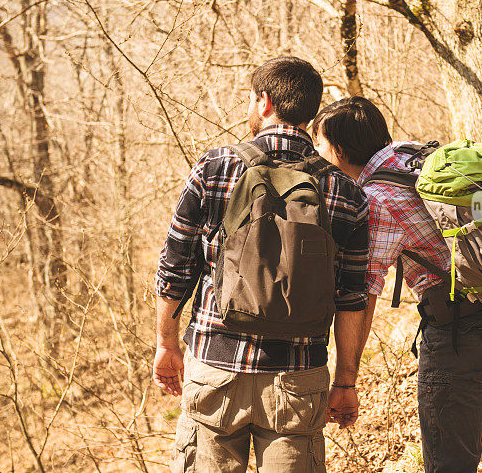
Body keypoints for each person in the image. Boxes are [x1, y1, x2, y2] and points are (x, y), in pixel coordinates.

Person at [153, 58, 370, 473]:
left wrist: (167, 344)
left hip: (215, 366)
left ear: (264, 102)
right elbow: (351, 298)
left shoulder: (216, 168)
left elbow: (176, 266)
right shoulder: (344, 191)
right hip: (298, 375)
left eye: (251, 99)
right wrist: (345, 381)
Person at [312, 96, 482, 473]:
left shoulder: (377, 199)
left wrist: (346, 379)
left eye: (319, 146)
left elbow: (365, 291)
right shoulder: (417, 156)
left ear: (339, 149)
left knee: (449, 464)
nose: (317, 155)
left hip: (460, 335)